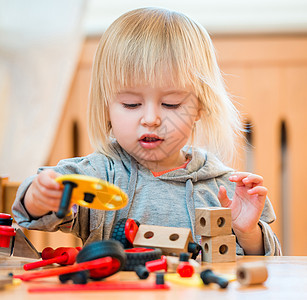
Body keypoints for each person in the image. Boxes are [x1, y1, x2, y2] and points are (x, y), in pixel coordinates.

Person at [12, 7, 281, 255]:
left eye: (170, 104)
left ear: (200, 107)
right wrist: (39, 197)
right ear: (106, 107)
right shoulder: (99, 175)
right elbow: (32, 213)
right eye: (131, 104)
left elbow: (266, 264)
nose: (151, 119)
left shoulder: (221, 186)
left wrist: (248, 233)